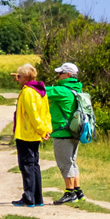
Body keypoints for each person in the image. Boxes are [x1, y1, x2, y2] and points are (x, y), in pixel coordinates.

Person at [45, 62, 85, 204]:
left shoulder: (62, 90)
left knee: (64, 163)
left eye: (60, 73)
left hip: (63, 133)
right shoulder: (77, 90)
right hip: (74, 132)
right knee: (72, 162)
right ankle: (78, 190)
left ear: (68, 75)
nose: (58, 76)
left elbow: (42, 91)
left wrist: (29, 83)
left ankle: (69, 193)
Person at [10, 63, 50, 207]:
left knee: (26, 166)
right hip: (35, 134)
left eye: (19, 76)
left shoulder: (27, 92)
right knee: (34, 165)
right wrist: (46, 129)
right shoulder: (40, 90)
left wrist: (41, 129)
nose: (17, 79)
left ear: (25, 77)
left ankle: (28, 198)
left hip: (27, 134)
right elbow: (46, 113)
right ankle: (37, 198)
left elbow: (33, 115)